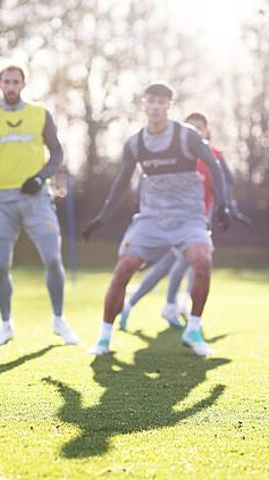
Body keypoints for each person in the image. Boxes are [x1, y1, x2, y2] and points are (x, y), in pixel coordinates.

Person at [82, 84, 232, 356]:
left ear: (169, 106)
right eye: (151, 101)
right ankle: (104, 339)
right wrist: (102, 217)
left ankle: (193, 330)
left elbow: (214, 164)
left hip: (188, 218)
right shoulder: (135, 143)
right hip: (151, 220)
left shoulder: (187, 136)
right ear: (144, 104)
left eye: (161, 102)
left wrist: (223, 204)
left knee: (202, 260)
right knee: (124, 268)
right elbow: (121, 182)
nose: (156, 107)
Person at [0, 65, 80, 347]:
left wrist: (40, 177)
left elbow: (57, 153)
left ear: (24, 84)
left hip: (37, 199)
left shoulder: (40, 114)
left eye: (16, 82)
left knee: (53, 260)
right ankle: (5, 324)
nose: (11, 87)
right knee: (0, 265)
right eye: (6, 82)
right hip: (0, 200)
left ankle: (59, 320)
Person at [118, 112, 249, 331]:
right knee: (178, 263)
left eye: (200, 127)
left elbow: (226, 182)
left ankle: (137, 304)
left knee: (174, 265)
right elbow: (148, 177)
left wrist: (228, 206)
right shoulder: (176, 154)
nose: (195, 131)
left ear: (207, 131)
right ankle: (169, 305)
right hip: (172, 220)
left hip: (197, 220)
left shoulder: (213, 156)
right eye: (191, 127)